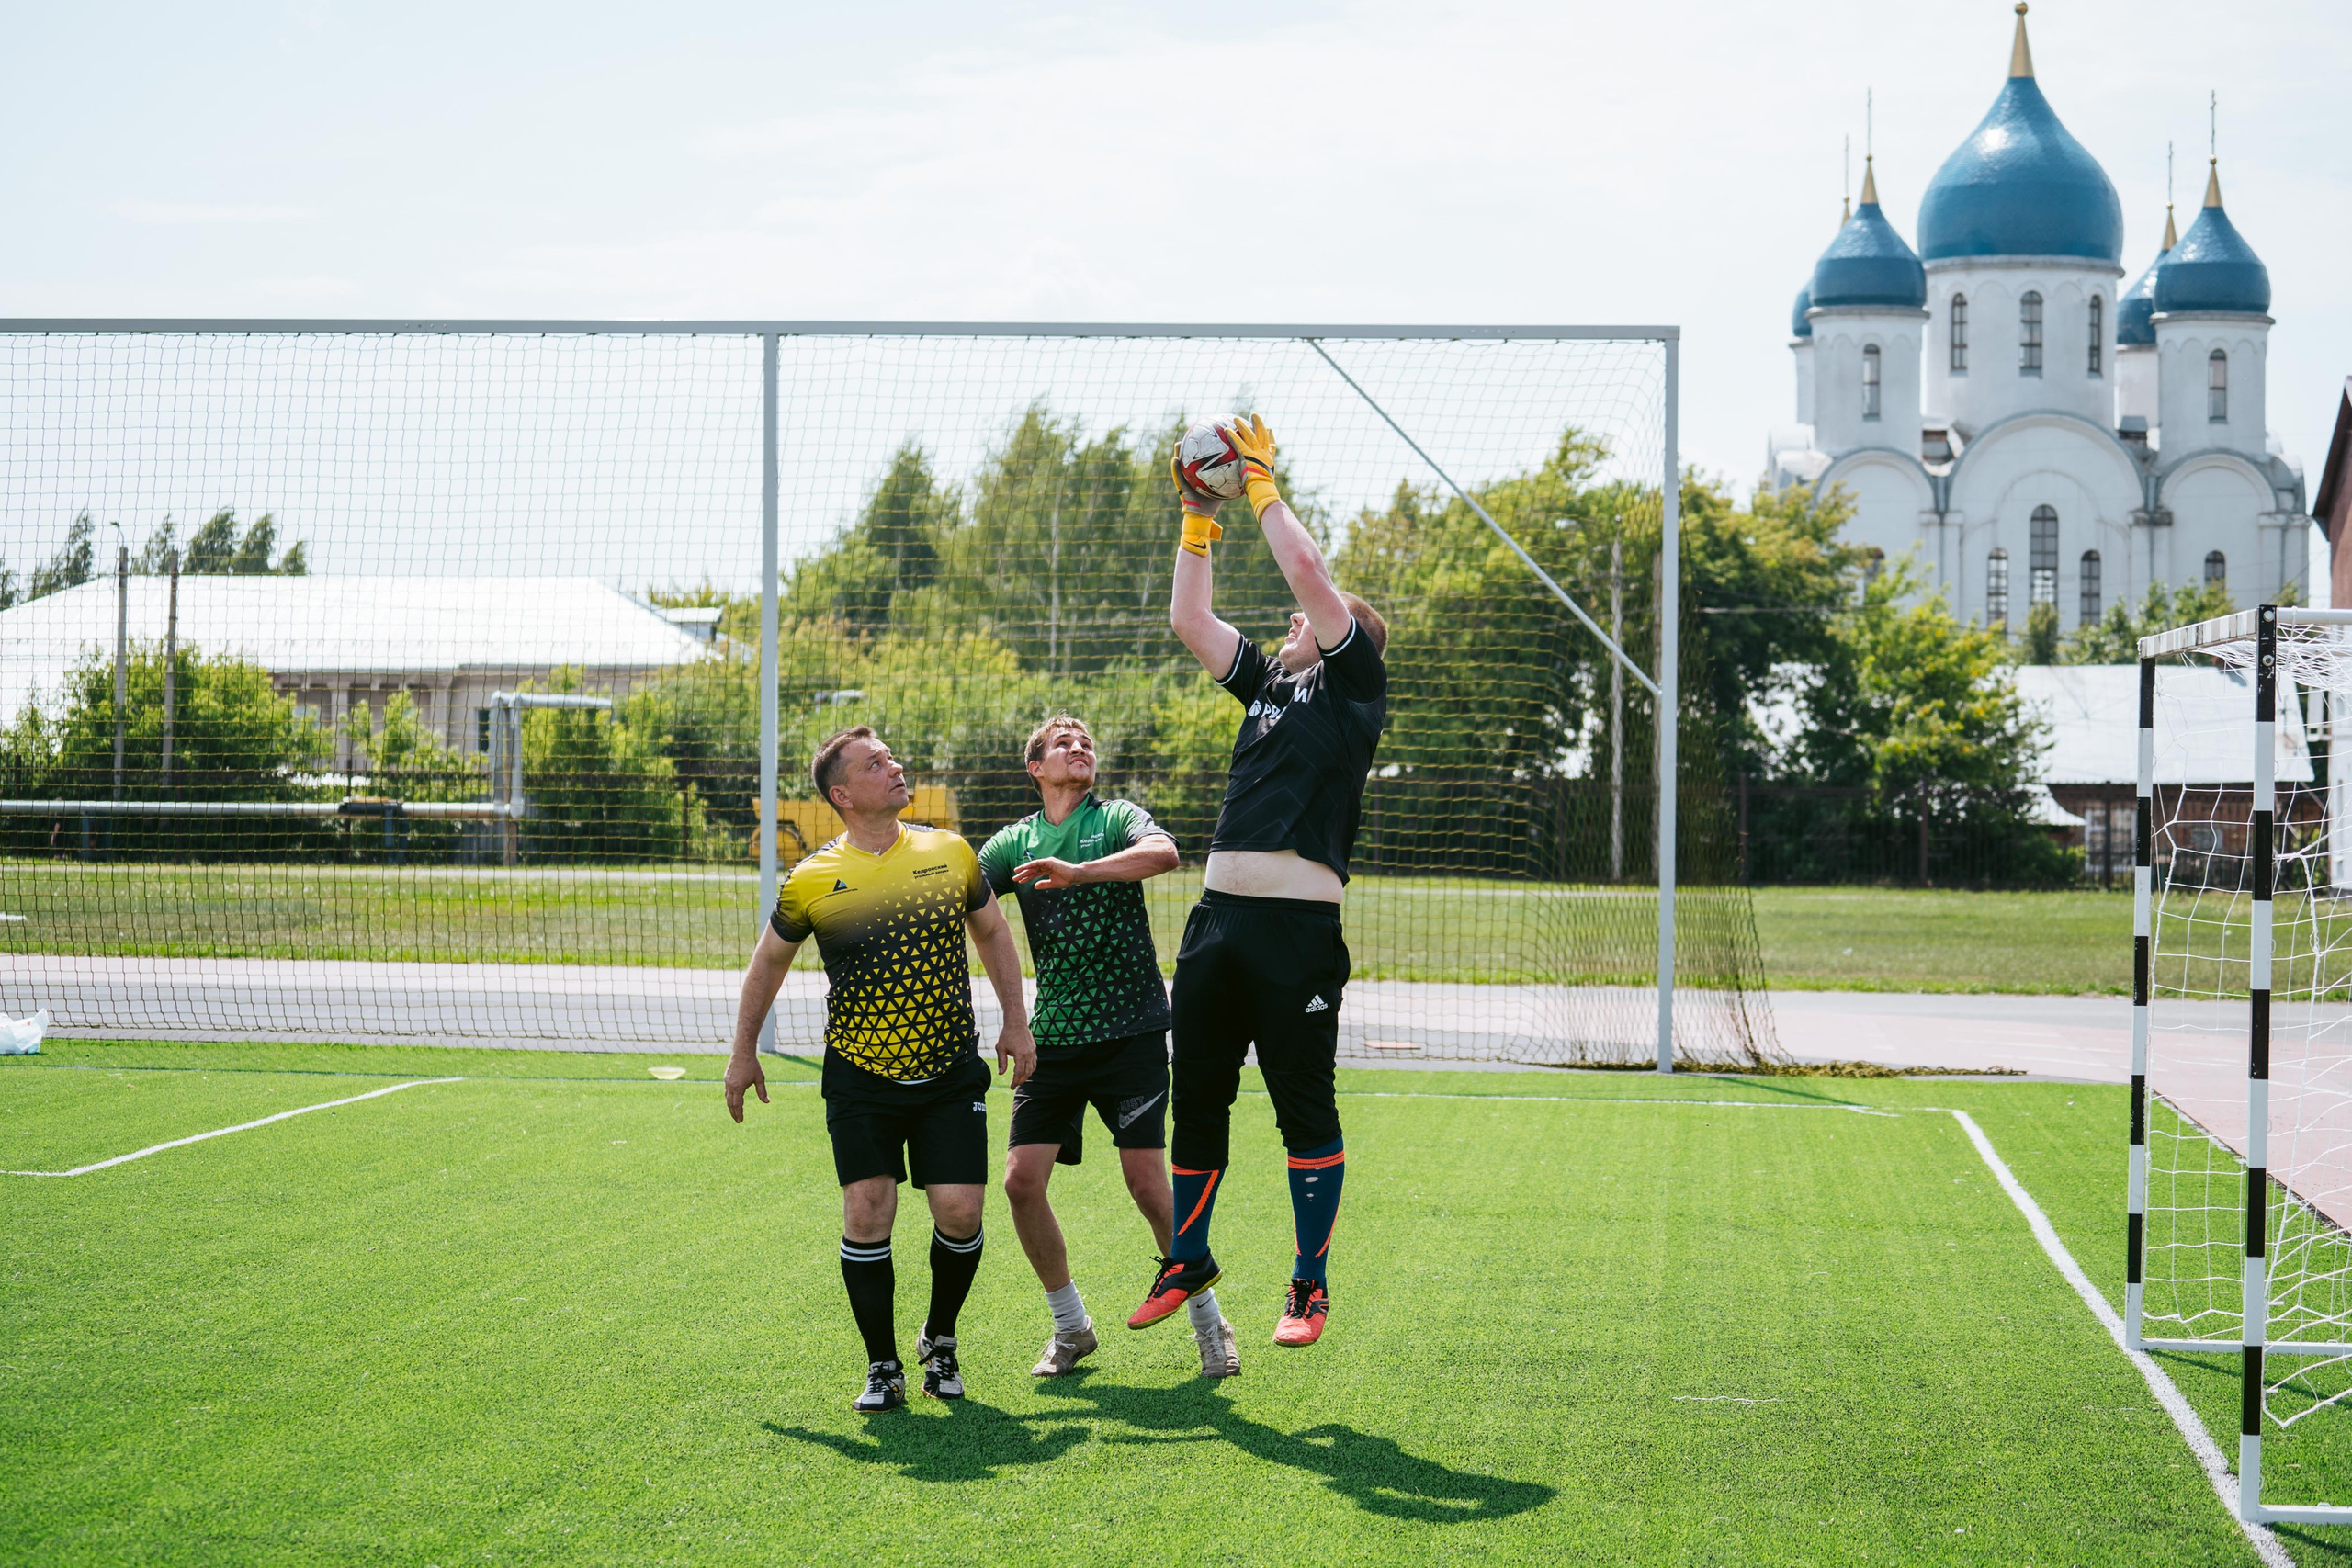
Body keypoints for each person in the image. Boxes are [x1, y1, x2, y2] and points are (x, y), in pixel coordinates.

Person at [1131, 412, 1388, 1350]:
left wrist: (1261, 481)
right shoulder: (1271, 688)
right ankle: (1186, 1255)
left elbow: (1309, 580)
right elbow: (1188, 619)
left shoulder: (1353, 688)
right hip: (1217, 926)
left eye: (1309, 623)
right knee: (1195, 1095)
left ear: (1346, 637)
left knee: (1301, 1108)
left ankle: (1308, 1285)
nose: (1289, 624)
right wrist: (1201, 514)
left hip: (1297, 938)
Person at [725, 726, 1036, 1413]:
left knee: (960, 1210)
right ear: (842, 793)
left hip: (950, 1067)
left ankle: (941, 1338)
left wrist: (1016, 1019)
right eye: (876, 763)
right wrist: (744, 1051)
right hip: (860, 1074)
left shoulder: (948, 851)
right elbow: (768, 961)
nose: (895, 767)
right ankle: (883, 1365)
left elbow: (992, 930)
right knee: (868, 1210)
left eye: (892, 757)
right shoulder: (811, 878)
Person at [978, 714, 1241, 1382]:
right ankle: (1071, 1326)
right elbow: (965, 895)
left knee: (1150, 1187)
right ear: (1035, 768)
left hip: (1132, 1030)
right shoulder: (1014, 842)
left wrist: (1080, 871)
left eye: (1087, 742)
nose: (1079, 747)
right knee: (1019, 1180)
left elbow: (1165, 854)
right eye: (1063, 743)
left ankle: (1210, 1322)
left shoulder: (1117, 817)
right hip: (1054, 1039)